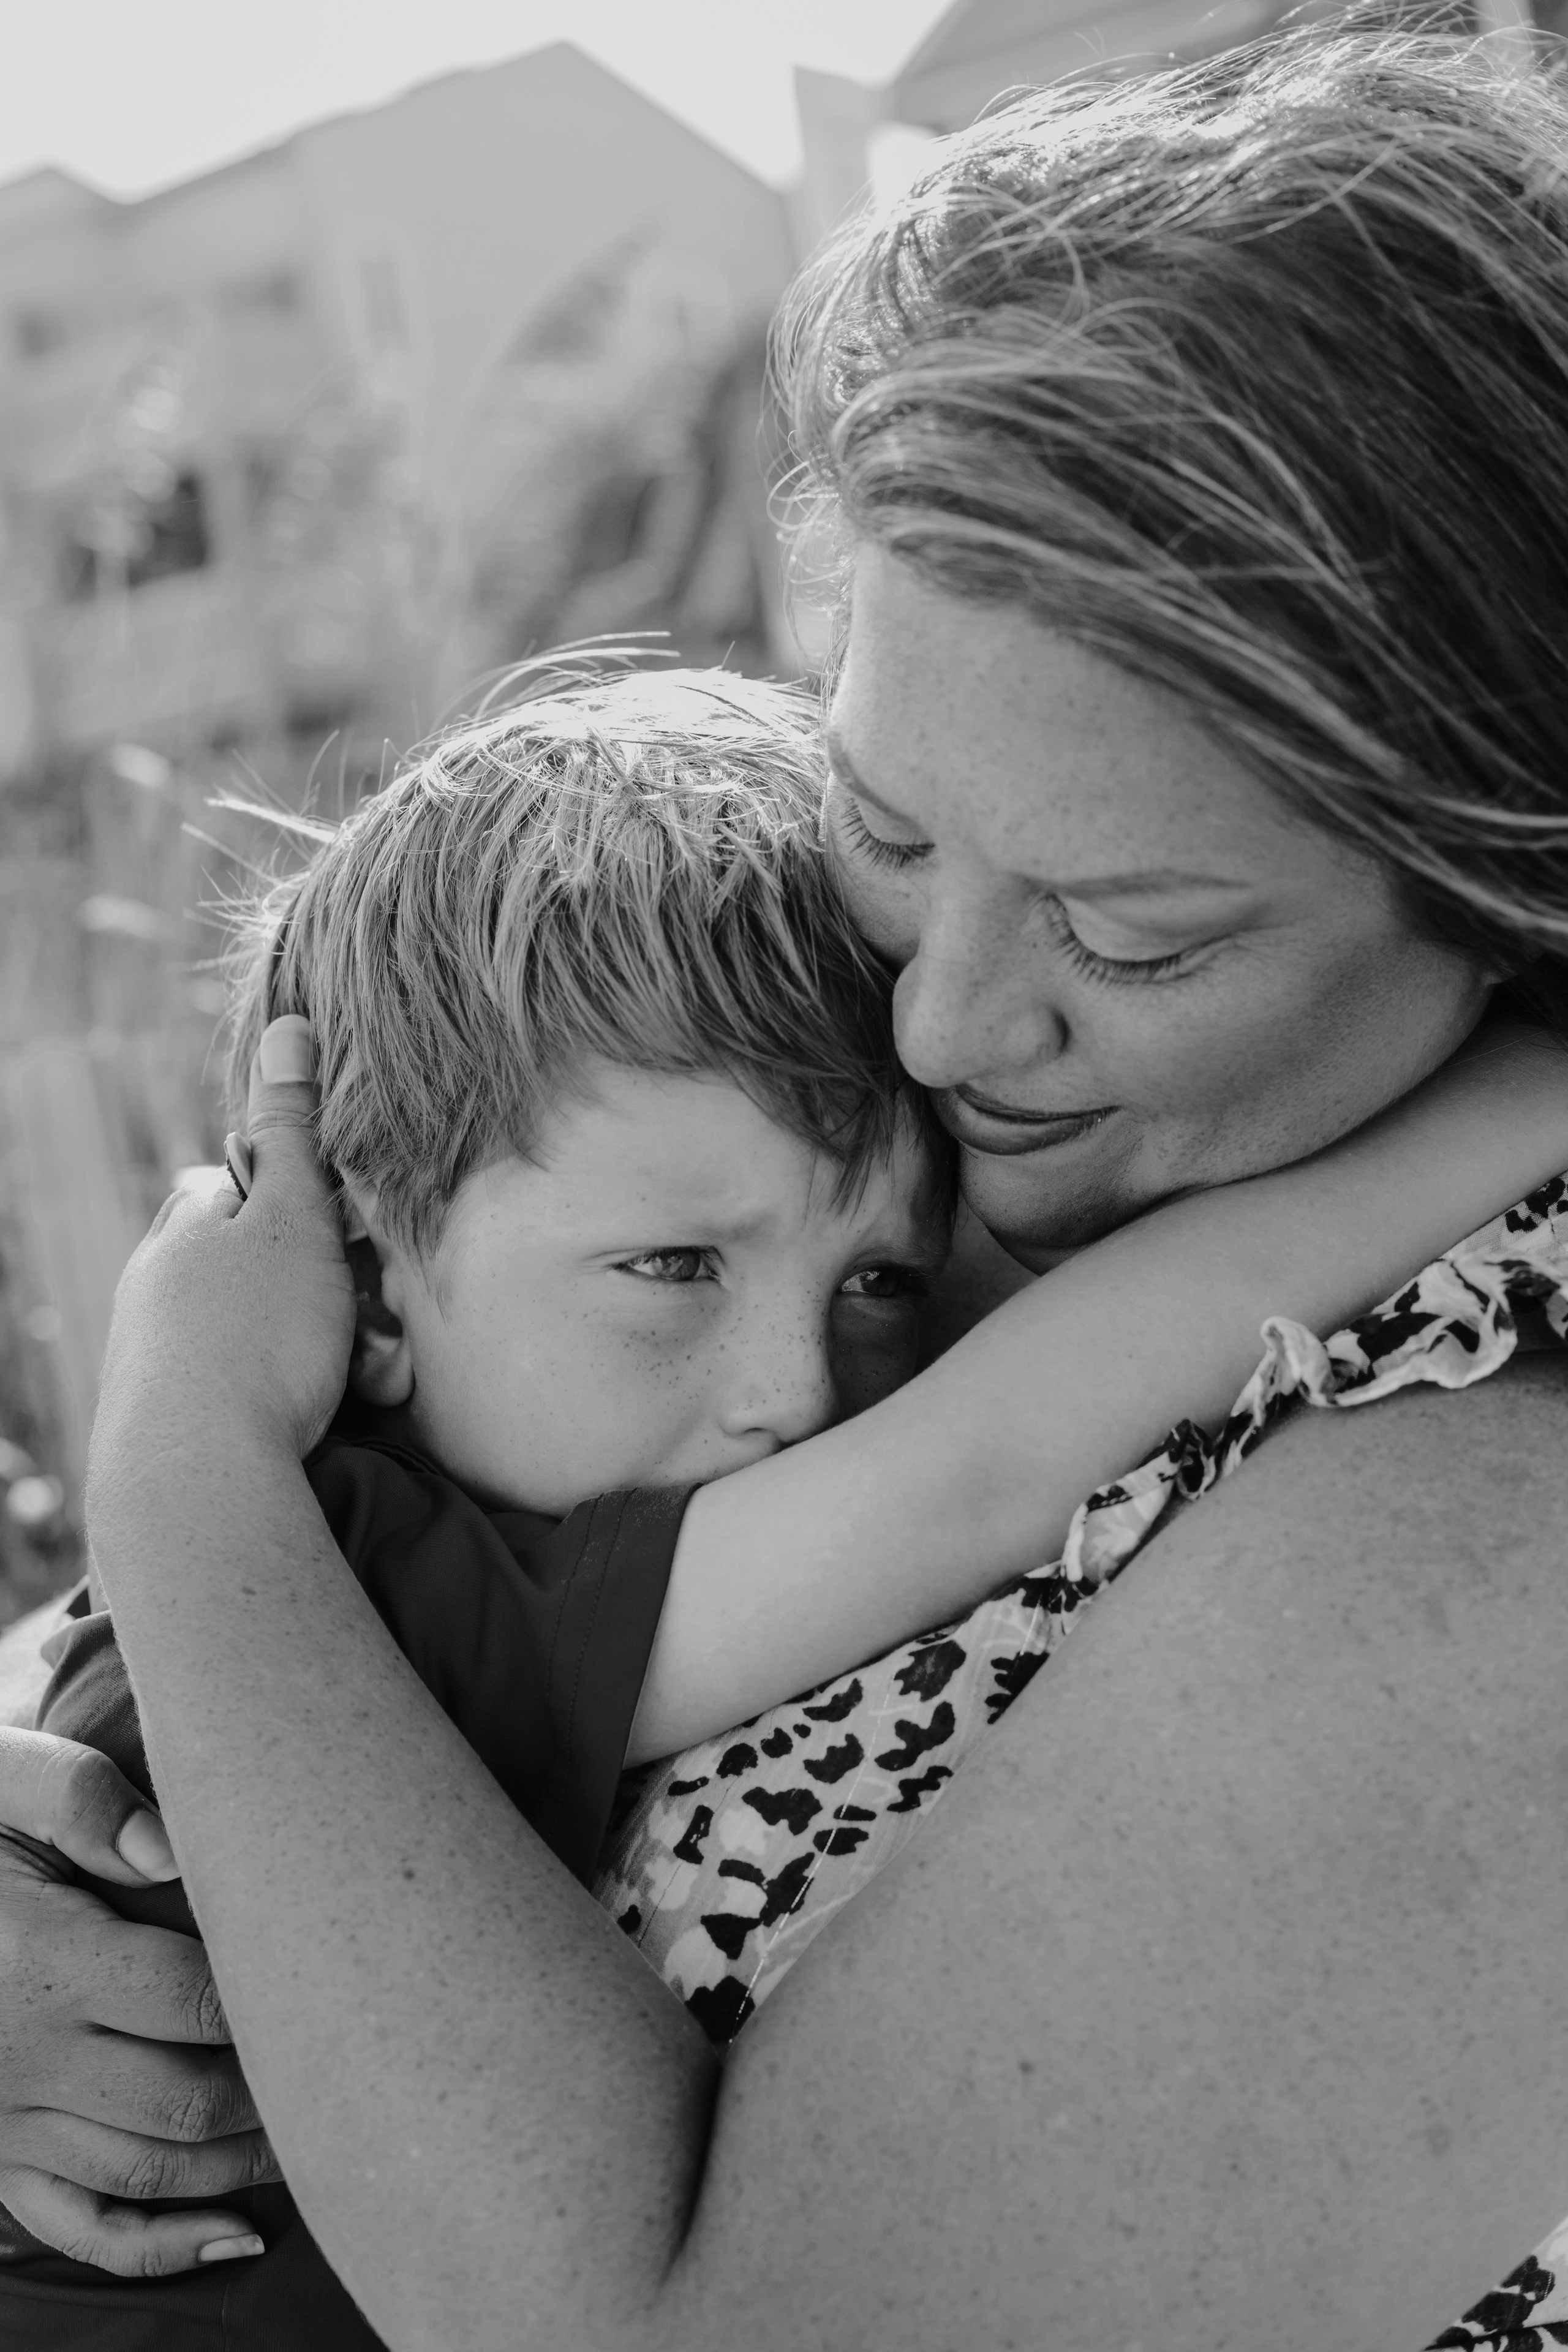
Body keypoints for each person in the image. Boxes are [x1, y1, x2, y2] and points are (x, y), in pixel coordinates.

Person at [6, 21, 1568, 2348]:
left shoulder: (1483, 1532)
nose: (940, 1028)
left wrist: (182, 1484)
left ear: (1502, 899)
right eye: (890, 829)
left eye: (1134, 937)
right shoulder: (901, 1116)